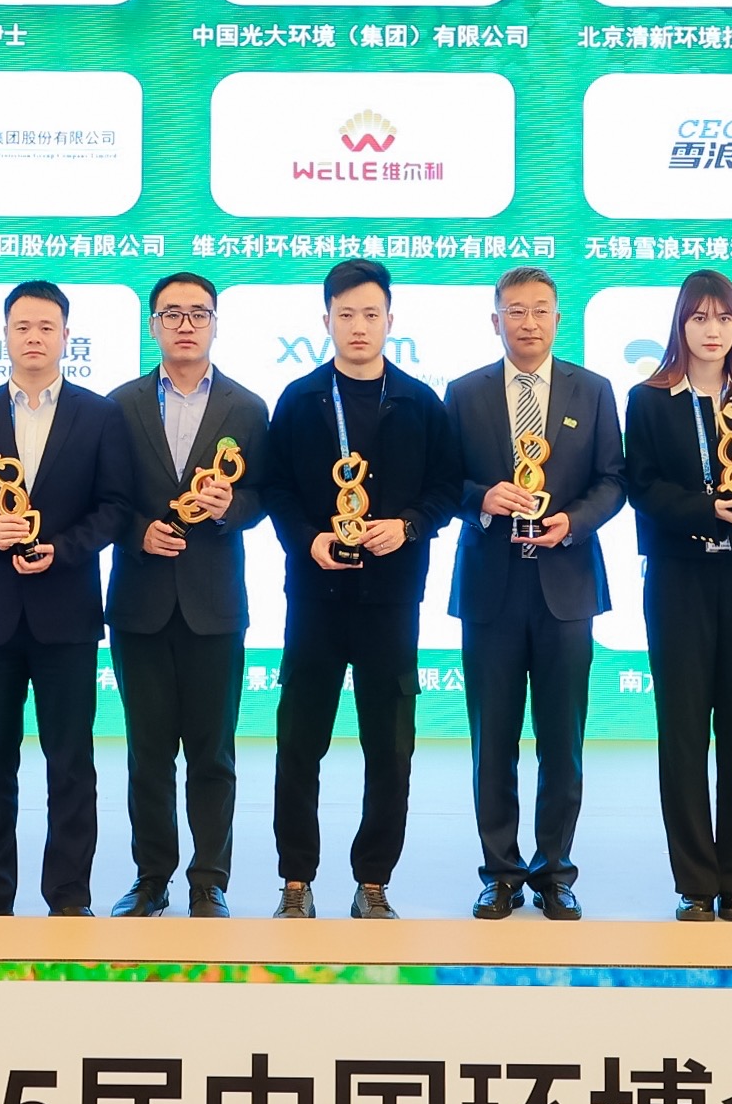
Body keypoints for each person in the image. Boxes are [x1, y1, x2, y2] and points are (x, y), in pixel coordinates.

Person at [262, 257, 463, 918]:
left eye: (370, 314)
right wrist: (308, 539)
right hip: (314, 599)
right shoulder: (299, 399)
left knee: (390, 746)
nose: (357, 326)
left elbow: (445, 489)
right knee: (299, 743)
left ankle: (373, 880)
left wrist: (406, 526)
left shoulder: (420, 402)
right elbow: (274, 489)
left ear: (389, 320)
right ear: (325, 320)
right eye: (345, 314)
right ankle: (296, 879)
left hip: (391, 600)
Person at [0, 281, 130, 916]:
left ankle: (69, 896)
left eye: (47, 327)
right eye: (22, 327)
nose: (34, 337)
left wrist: (63, 549)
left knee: (71, 764)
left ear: (67, 336)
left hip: (67, 614)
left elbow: (115, 508)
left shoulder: (99, 415)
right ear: (5, 336)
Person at [444, 265, 624, 919]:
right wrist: (480, 499)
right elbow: (440, 482)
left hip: (565, 587)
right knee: (491, 741)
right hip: (490, 587)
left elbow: (613, 480)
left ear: (557, 318)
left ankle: (554, 871)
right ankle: (499, 872)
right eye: (515, 311)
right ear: (494, 320)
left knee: (561, 740)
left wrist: (571, 522)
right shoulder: (463, 393)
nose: (528, 322)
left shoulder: (593, 390)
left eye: (540, 309)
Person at [622, 268, 732, 922]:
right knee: (683, 729)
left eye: (723, 317)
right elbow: (642, 488)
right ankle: (694, 881)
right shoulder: (648, 399)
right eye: (699, 317)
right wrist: (706, 507)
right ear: (680, 325)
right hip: (677, 576)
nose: (712, 329)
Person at [103, 272, 267, 918]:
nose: (185, 325)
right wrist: (137, 532)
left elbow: (266, 496)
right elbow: (100, 498)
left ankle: (209, 879)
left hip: (213, 603)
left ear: (215, 323)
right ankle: (151, 877)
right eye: (171, 314)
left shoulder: (247, 407)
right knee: (147, 754)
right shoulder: (119, 405)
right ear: (153, 325)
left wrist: (231, 507)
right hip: (139, 601)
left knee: (211, 752)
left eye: (198, 313)